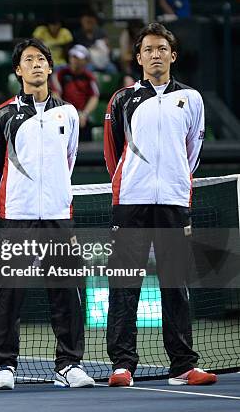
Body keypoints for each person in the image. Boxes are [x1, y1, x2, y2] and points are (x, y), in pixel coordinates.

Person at [103, 22, 217, 387]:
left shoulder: (192, 99)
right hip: (130, 202)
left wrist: (175, 179)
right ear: (138, 57)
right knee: (124, 285)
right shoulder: (122, 99)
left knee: (175, 283)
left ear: (173, 55)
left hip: (172, 201)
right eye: (148, 49)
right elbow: (112, 153)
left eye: (162, 49)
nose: (155, 55)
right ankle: (123, 365)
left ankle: (183, 366)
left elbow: (192, 152)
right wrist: (130, 181)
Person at [0, 38, 94, 390]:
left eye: (42, 59)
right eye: (28, 60)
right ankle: (3, 366)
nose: (36, 65)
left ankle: (69, 364)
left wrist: (55, 195)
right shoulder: (2, 115)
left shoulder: (69, 113)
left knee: (66, 292)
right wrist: (12, 201)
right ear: (18, 70)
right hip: (17, 214)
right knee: (8, 294)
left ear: (50, 66)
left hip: (59, 216)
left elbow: (69, 159)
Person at [52, 45, 100, 141]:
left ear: (86, 61)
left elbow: (94, 97)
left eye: (78, 58)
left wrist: (84, 114)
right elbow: (55, 95)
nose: (75, 60)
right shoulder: (60, 74)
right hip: (64, 116)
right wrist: (68, 113)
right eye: (73, 57)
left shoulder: (89, 77)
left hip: (82, 116)